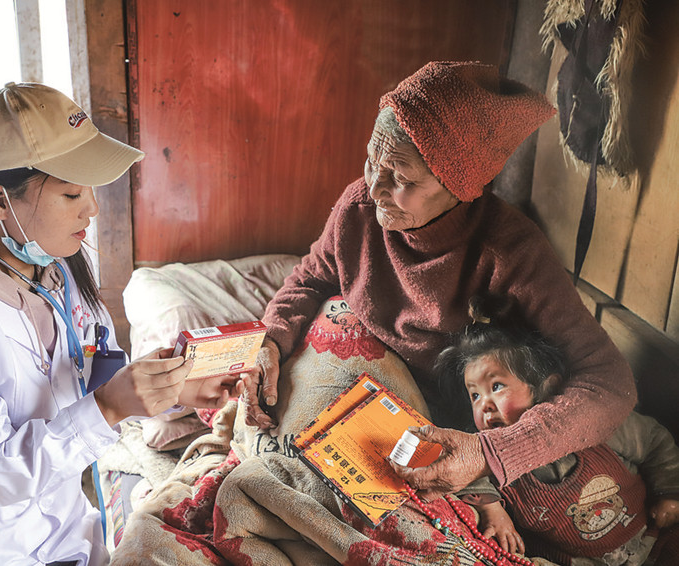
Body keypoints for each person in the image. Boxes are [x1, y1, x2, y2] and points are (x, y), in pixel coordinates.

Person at [0, 82, 236, 565]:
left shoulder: (52, 265)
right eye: (71, 192)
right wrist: (109, 408)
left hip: (54, 528)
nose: (91, 208)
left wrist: (169, 390)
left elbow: (84, 367)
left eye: (91, 188)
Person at [240, 61, 638, 501]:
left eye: (401, 177)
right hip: (355, 386)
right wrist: (270, 341)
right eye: (372, 160)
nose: (374, 188)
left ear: (460, 188)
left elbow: (609, 383)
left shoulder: (511, 251)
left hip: (430, 421)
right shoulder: (358, 210)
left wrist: (491, 452)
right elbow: (310, 279)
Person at [434, 296, 679, 564]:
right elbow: (464, 468)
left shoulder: (591, 423)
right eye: (475, 395)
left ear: (547, 387)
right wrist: (491, 508)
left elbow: (654, 442)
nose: (485, 405)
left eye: (496, 387)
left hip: (652, 537)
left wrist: (669, 491)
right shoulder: (488, 455)